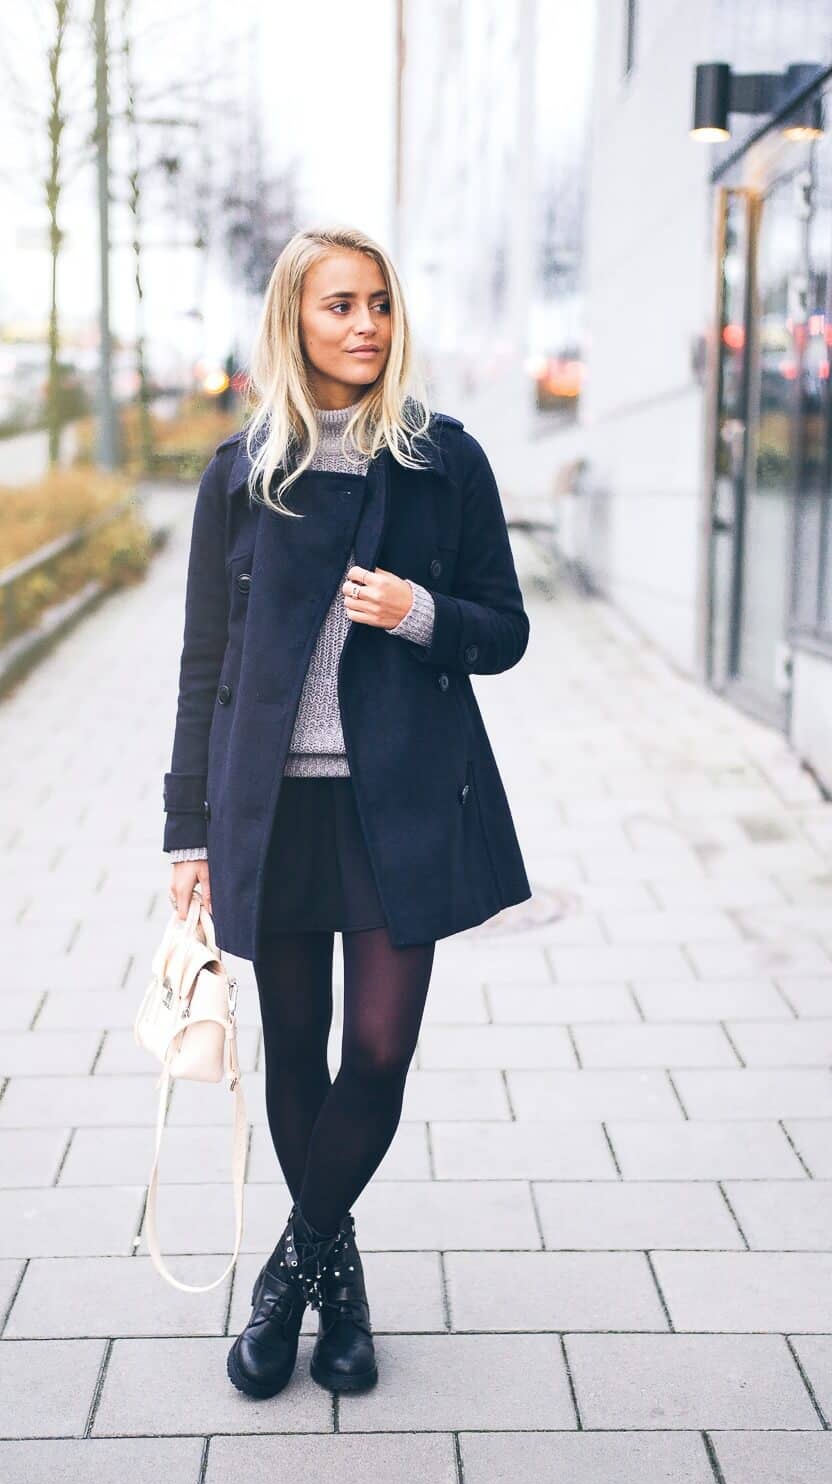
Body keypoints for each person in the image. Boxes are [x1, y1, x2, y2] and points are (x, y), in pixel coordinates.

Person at [162, 225, 532, 1399]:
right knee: (297, 1055)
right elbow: (200, 664)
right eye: (338, 306)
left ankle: (290, 1273)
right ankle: (343, 1280)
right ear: (294, 319)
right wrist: (186, 828)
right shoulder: (241, 473)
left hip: (398, 808)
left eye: (378, 303)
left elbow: (505, 628)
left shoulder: (442, 461)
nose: (365, 324)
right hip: (272, 810)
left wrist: (422, 610)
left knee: (377, 1047)